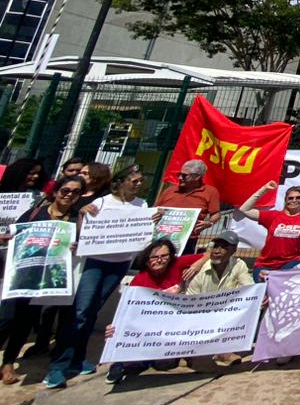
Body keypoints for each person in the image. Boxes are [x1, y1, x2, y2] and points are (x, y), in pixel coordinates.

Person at [44, 165, 149, 388]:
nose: (139, 185)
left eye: (141, 181)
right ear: (121, 182)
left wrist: (153, 221)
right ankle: (58, 365)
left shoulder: (142, 205)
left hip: (119, 264)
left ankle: (78, 358)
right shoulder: (101, 203)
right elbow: (84, 234)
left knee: (92, 311)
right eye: (135, 181)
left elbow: (143, 233)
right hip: (94, 263)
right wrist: (82, 215)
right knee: (80, 312)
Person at [0, 175, 85, 385]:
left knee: (25, 321)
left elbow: (84, 246)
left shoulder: (75, 220)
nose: (69, 195)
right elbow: (15, 234)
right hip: (22, 274)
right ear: (56, 191)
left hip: (45, 280)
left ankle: (9, 362)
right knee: (6, 317)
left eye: (75, 192)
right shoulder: (35, 213)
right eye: (66, 190)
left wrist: (76, 247)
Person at [103, 238, 205, 385]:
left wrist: (196, 265)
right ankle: (122, 363)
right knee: (137, 359)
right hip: (148, 327)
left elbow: (209, 254)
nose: (160, 260)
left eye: (164, 256)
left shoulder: (177, 265)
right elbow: (129, 312)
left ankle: (149, 359)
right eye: (155, 257)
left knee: (164, 364)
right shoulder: (139, 280)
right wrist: (113, 329)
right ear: (146, 260)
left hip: (173, 326)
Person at [183, 229, 253, 367]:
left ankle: (222, 350)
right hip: (200, 316)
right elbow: (190, 302)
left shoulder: (239, 265)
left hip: (226, 315)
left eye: (223, 247)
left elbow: (249, 290)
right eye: (215, 246)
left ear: (233, 250)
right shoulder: (200, 270)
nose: (217, 251)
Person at [236, 181, 300, 282]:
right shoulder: (274, 216)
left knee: (286, 287)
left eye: (298, 197)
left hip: (290, 263)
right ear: (285, 200)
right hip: (265, 264)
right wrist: (264, 189)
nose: (294, 200)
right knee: (265, 290)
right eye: (290, 198)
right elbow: (244, 210)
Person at [155, 160, 221, 252]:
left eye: (185, 175)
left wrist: (208, 222)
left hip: (187, 240)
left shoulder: (210, 192)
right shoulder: (169, 191)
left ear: (197, 177)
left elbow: (216, 214)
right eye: (179, 174)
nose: (180, 178)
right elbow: (155, 210)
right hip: (159, 238)